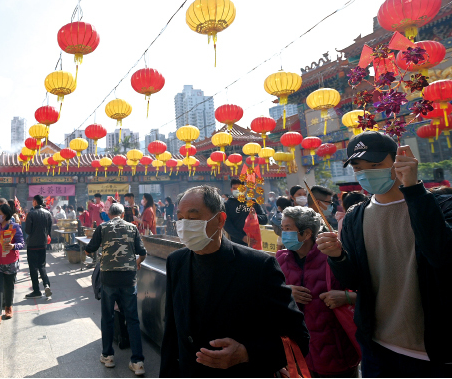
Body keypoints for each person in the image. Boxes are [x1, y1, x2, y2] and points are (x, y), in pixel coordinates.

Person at [317, 131, 452, 377]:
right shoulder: (355, 218)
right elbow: (353, 281)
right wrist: (337, 256)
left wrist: (414, 189)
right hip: (376, 348)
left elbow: (441, 256)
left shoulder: (441, 206)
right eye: (358, 167)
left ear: (397, 160)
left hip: (433, 352)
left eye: (376, 164)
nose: (366, 173)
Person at [160, 186, 309, 378]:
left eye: (193, 217)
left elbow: (298, 338)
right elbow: (171, 332)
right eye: (180, 218)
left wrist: (246, 353)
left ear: (220, 220)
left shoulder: (258, 266)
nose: (184, 225)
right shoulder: (176, 262)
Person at [277, 206, 360, 377]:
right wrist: (285, 292)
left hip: (337, 354)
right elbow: (267, 297)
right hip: (298, 355)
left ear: (306, 234)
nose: (283, 234)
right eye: (282, 228)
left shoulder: (334, 257)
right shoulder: (280, 259)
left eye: (288, 229)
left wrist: (346, 297)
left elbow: (365, 290)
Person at [85, 203, 147, 375]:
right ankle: (138, 362)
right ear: (122, 213)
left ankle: (108, 356)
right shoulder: (132, 228)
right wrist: (137, 263)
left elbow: (90, 248)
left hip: (109, 279)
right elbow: (142, 252)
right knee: (132, 319)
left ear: (109, 213)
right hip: (128, 279)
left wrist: (91, 254)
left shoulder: (103, 227)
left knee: (108, 317)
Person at [223, 179, 267, 246]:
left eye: (239, 188)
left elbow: (265, 220)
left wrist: (255, 216)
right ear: (231, 190)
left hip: (254, 241)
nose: (237, 190)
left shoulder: (252, 202)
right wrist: (242, 237)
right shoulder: (227, 205)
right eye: (234, 188)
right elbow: (227, 225)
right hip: (236, 243)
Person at [25, 195, 53, 299]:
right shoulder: (48, 213)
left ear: (35, 202)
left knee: (33, 268)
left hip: (32, 244)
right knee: (42, 265)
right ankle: (46, 285)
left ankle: (36, 291)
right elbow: (49, 230)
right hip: (43, 243)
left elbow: (28, 230)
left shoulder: (31, 214)